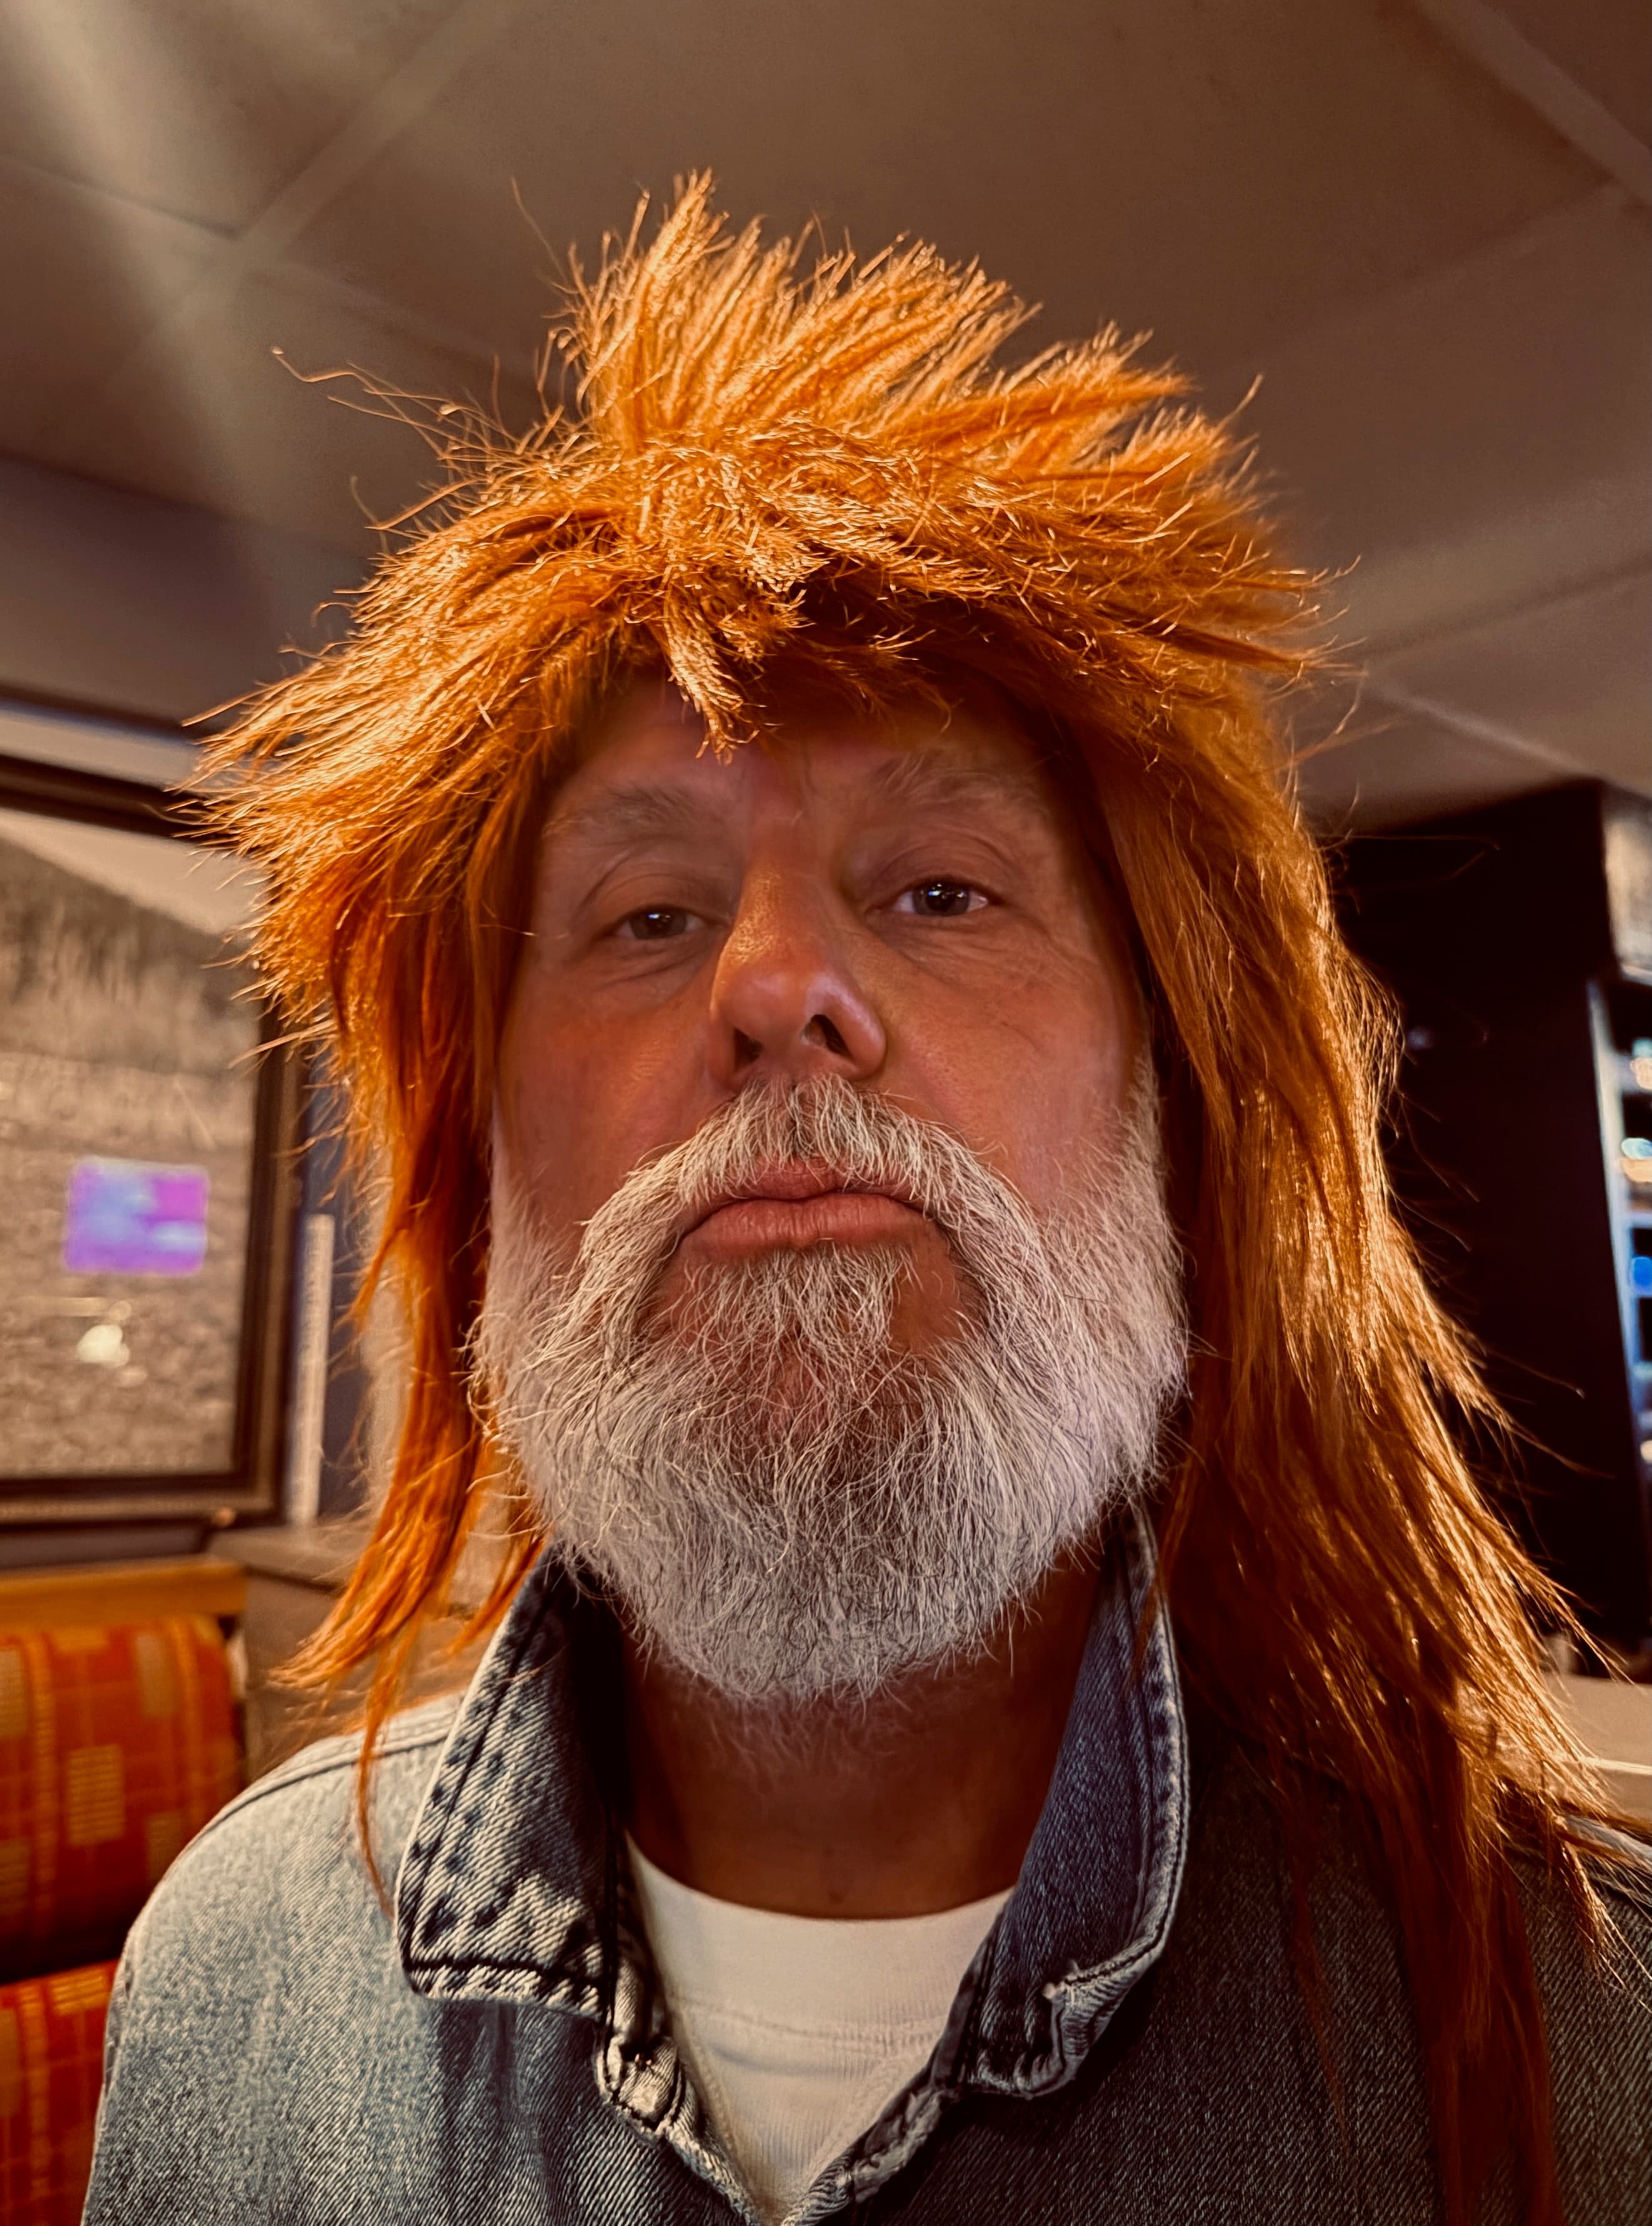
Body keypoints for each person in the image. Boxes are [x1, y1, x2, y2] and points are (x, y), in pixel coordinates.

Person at [86, 181, 1647, 2226]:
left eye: (940, 889)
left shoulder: (1586, 2016)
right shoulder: (232, 1987)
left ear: (1183, 1133)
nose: (772, 985)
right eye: (643, 912)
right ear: (483, 1170)